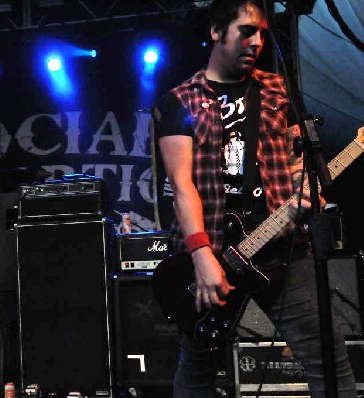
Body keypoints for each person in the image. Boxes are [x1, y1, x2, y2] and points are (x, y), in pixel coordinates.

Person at [151, 0, 357, 396]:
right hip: (215, 254)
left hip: (282, 249)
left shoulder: (277, 90)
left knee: (329, 358)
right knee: (197, 373)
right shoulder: (179, 103)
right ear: (216, 31)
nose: (257, 41)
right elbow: (182, 186)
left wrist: (302, 188)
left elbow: (293, 160)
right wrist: (201, 256)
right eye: (246, 31)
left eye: (262, 32)